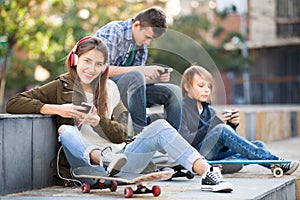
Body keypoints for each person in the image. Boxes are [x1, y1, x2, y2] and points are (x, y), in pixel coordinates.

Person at [6, 37, 233, 192]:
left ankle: (208, 173)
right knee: (65, 130)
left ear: (105, 67)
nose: (91, 69)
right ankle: (105, 161)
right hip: (86, 166)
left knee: (161, 126)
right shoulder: (60, 87)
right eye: (87, 61)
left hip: (121, 160)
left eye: (98, 64)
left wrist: (99, 122)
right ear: (75, 61)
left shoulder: (110, 90)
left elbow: (124, 133)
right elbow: (14, 103)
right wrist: (57, 109)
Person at [179, 65, 299, 175]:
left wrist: (232, 125)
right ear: (187, 87)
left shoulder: (209, 110)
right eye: (201, 86)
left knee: (258, 145)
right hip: (196, 156)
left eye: (209, 86)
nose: (206, 90)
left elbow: (225, 143)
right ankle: (276, 162)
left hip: (213, 154)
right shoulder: (181, 109)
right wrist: (214, 123)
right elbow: (185, 142)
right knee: (221, 129)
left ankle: (225, 163)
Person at [95, 7, 182, 134]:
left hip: (128, 93)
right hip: (103, 88)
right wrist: (141, 70)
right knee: (136, 75)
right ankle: (142, 134)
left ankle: (170, 139)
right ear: (136, 25)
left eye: (151, 39)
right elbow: (99, 69)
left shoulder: (142, 48)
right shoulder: (114, 31)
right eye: (147, 37)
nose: (148, 42)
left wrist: (154, 79)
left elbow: (137, 84)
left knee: (174, 91)